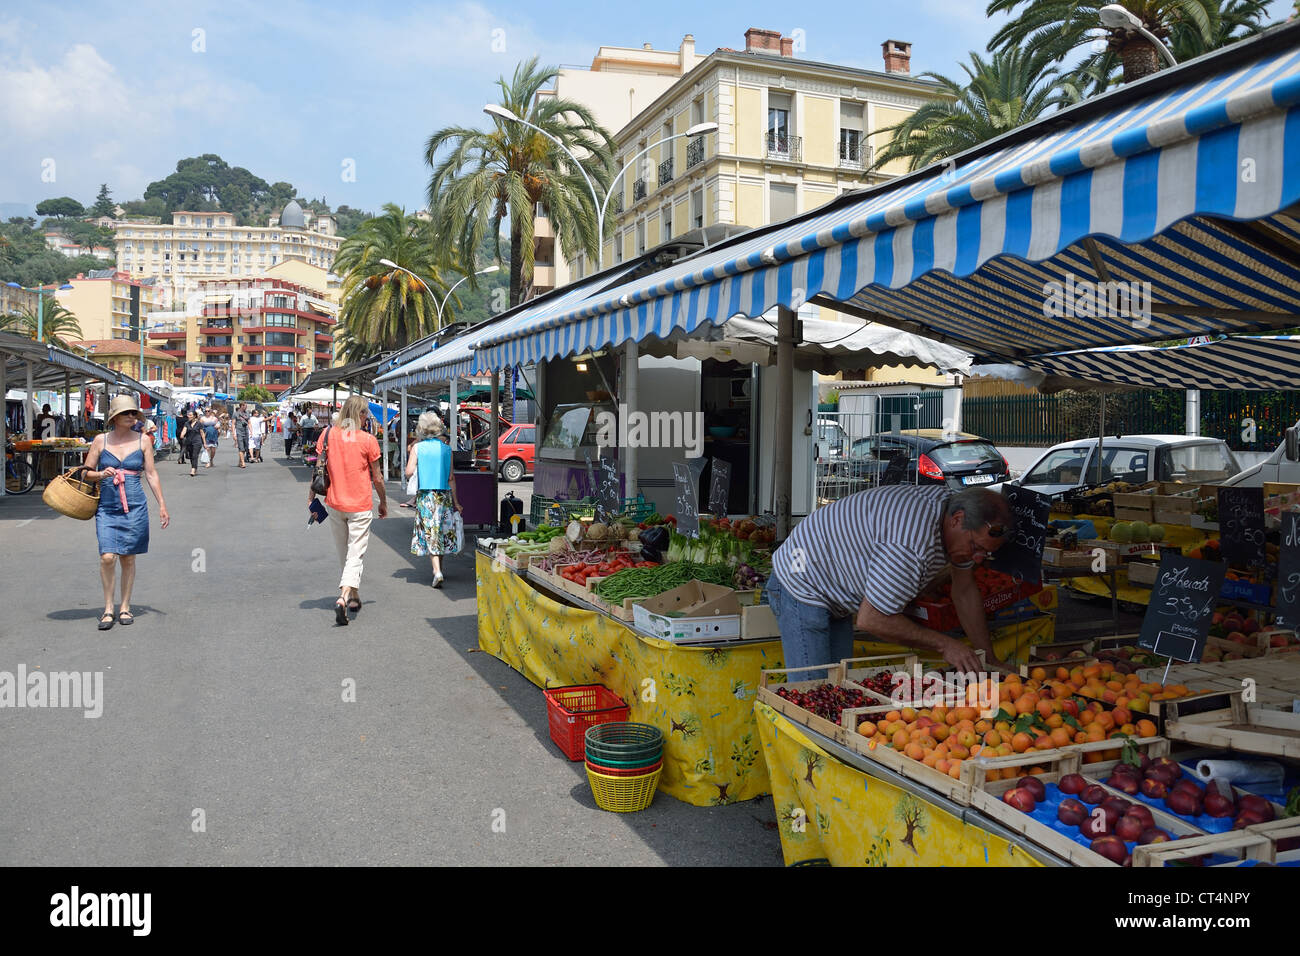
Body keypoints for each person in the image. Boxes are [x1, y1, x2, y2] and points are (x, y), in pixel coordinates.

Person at [767, 487, 1015, 674]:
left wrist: (988, 657)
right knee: (811, 692)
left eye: (986, 552)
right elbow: (872, 619)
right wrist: (945, 645)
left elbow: (964, 591)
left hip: (834, 587)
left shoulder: (952, 514)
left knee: (836, 684)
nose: (978, 559)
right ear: (957, 519)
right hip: (801, 579)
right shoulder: (911, 543)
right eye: (975, 547)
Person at [82, 394, 170, 630]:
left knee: (128, 557)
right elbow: (85, 472)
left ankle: (125, 607)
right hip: (107, 506)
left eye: (134, 413)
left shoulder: (144, 441)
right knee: (107, 556)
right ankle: (108, 607)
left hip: (135, 506)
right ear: (115, 417)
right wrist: (101, 474)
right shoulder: (101, 441)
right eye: (127, 413)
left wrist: (161, 504)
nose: (132, 417)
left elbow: (151, 474)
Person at [310, 395, 387, 626]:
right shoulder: (368, 440)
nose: (367, 419)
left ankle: (354, 597)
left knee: (344, 553)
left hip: (334, 503)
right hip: (359, 505)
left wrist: (311, 497)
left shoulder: (329, 434)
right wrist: (383, 502)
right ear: (360, 414)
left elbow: (318, 468)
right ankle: (343, 598)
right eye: (366, 414)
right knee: (355, 554)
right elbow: (378, 477)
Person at [406, 411, 463, 588]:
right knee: (442, 532)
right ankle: (440, 568)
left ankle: (436, 571)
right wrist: (456, 502)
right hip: (444, 496)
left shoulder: (418, 448)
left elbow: (408, 472)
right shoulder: (446, 449)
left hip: (426, 496)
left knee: (431, 532)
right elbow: (451, 478)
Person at [178, 410, 204, 477]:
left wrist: (205, 443)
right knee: (191, 456)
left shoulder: (199, 424)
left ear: (194, 416)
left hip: (197, 442)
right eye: (188, 415)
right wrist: (182, 435)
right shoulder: (187, 423)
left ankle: (193, 469)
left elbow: (202, 433)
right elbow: (184, 430)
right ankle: (194, 467)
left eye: (190, 415)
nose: (188, 416)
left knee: (195, 455)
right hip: (189, 442)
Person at [232, 402, 250, 468]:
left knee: (245, 448)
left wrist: (251, 431)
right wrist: (233, 433)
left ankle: (240, 461)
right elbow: (233, 424)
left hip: (246, 432)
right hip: (239, 432)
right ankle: (243, 463)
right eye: (245, 406)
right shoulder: (236, 413)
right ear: (241, 406)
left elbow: (249, 422)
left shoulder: (247, 413)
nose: (246, 407)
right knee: (241, 448)